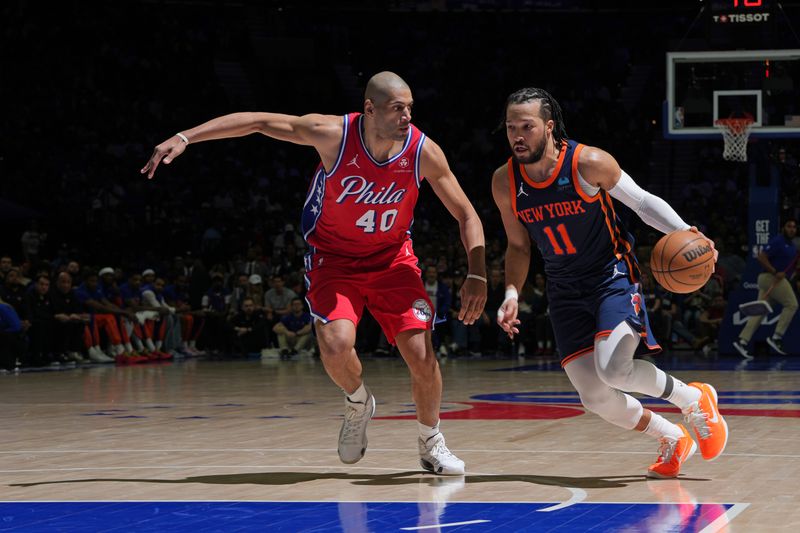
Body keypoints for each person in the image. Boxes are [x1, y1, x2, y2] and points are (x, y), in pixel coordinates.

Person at [141, 71, 487, 475]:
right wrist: (185, 136)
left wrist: (476, 273)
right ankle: (358, 401)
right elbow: (257, 121)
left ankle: (431, 442)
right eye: (397, 108)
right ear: (369, 109)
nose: (407, 116)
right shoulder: (332, 135)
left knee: (422, 354)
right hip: (334, 260)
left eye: (410, 108)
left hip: (393, 261)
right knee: (337, 345)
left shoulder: (423, 151)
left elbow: (466, 213)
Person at [493, 88, 726, 479]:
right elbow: (518, 246)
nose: (518, 135)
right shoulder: (504, 182)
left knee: (614, 369)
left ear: (549, 128)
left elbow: (642, 202)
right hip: (564, 290)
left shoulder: (588, 162)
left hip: (610, 276)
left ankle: (694, 399)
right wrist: (511, 293)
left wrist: (689, 233)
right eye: (511, 127)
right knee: (595, 396)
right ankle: (671, 436)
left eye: (527, 127)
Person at [733, 218, 798, 358]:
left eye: (794, 227)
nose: (792, 229)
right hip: (770, 278)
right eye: (789, 226)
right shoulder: (778, 241)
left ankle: (742, 341)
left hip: (774, 280)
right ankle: (777, 337)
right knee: (792, 304)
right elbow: (761, 257)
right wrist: (775, 271)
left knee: (761, 310)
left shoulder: (792, 246)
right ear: (783, 228)